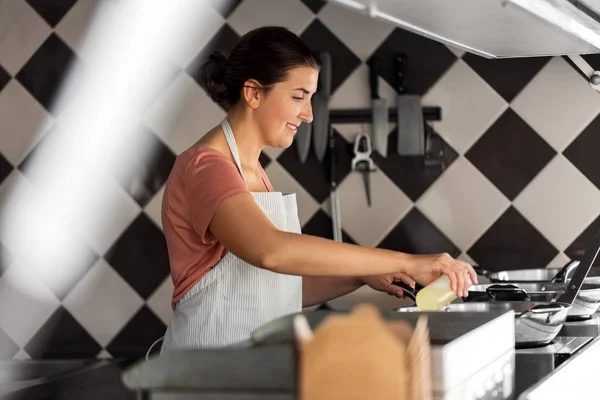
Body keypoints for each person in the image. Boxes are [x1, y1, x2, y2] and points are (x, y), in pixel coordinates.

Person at [158, 25, 477, 353]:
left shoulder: (250, 171)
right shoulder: (207, 167)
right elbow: (273, 251)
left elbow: (275, 289)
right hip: (206, 372)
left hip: (253, 366)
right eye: (298, 97)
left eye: (310, 98)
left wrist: (360, 277)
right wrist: (407, 261)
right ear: (253, 93)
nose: (309, 114)